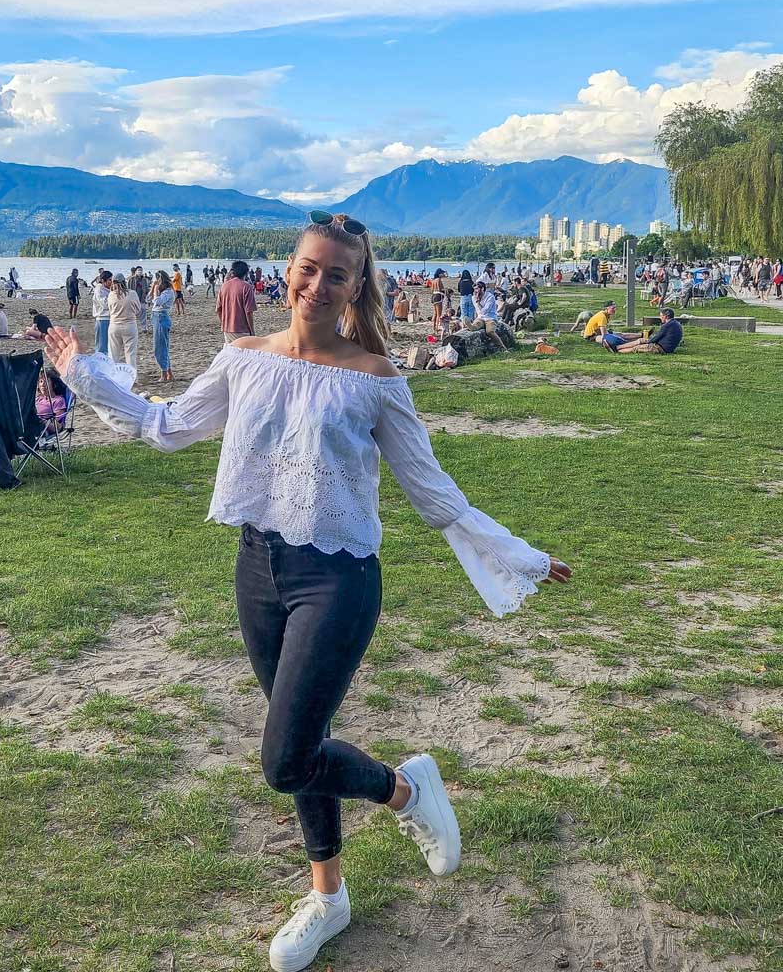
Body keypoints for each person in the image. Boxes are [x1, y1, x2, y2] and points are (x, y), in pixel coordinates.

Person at [45, 211, 571, 972]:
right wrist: (84, 374)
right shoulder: (242, 358)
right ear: (287, 272)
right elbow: (166, 427)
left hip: (339, 579)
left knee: (285, 758)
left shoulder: (376, 379)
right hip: (258, 569)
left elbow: (433, 493)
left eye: (337, 274)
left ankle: (404, 792)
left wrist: (519, 556)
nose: (318, 285)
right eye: (308, 268)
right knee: (304, 740)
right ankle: (329, 897)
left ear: (357, 287)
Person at [613, 308, 684, 355]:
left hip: (661, 348)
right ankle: (618, 347)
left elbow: (657, 337)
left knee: (636, 348)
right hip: (665, 346)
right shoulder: (676, 323)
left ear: (666, 316)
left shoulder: (667, 325)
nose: (660, 318)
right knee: (640, 340)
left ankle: (617, 351)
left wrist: (648, 342)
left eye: (661, 316)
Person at [217, 260, 257, 343]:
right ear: (245, 273)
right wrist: (252, 331)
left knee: (231, 350)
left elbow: (218, 309)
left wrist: (223, 323)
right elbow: (249, 312)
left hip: (227, 329)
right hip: (242, 329)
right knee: (244, 351)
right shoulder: (247, 287)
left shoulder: (224, 286)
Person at [107, 273, 142, 367]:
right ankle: (132, 375)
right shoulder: (132, 294)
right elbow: (138, 309)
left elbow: (110, 310)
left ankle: (113, 374)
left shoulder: (111, 295)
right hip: (130, 325)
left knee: (113, 354)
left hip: (114, 325)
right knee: (130, 354)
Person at [150, 270, 175, 382]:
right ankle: (169, 373)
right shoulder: (164, 291)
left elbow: (158, 302)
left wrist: (155, 291)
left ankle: (164, 373)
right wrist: (153, 289)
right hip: (157, 316)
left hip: (161, 317)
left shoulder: (168, 292)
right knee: (163, 347)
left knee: (159, 348)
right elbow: (149, 299)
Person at [465, 282, 506, 351]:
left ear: (482, 289)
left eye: (477, 289)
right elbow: (477, 310)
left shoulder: (490, 297)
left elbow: (485, 311)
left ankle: (503, 348)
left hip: (490, 317)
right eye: (474, 289)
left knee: (490, 331)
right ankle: (471, 326)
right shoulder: (474, 297)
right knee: (476, 325)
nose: (475, 291)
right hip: (480, 317)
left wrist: (478, 302)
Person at [92, 271, 113, 353]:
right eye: (109, 280)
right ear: (104, 280)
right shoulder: (99, 289)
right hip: (102, 318)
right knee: (102, 345)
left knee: (108, 343)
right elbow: (105, 304)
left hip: (110, 318)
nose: (111, 282)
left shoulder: (108, 289)